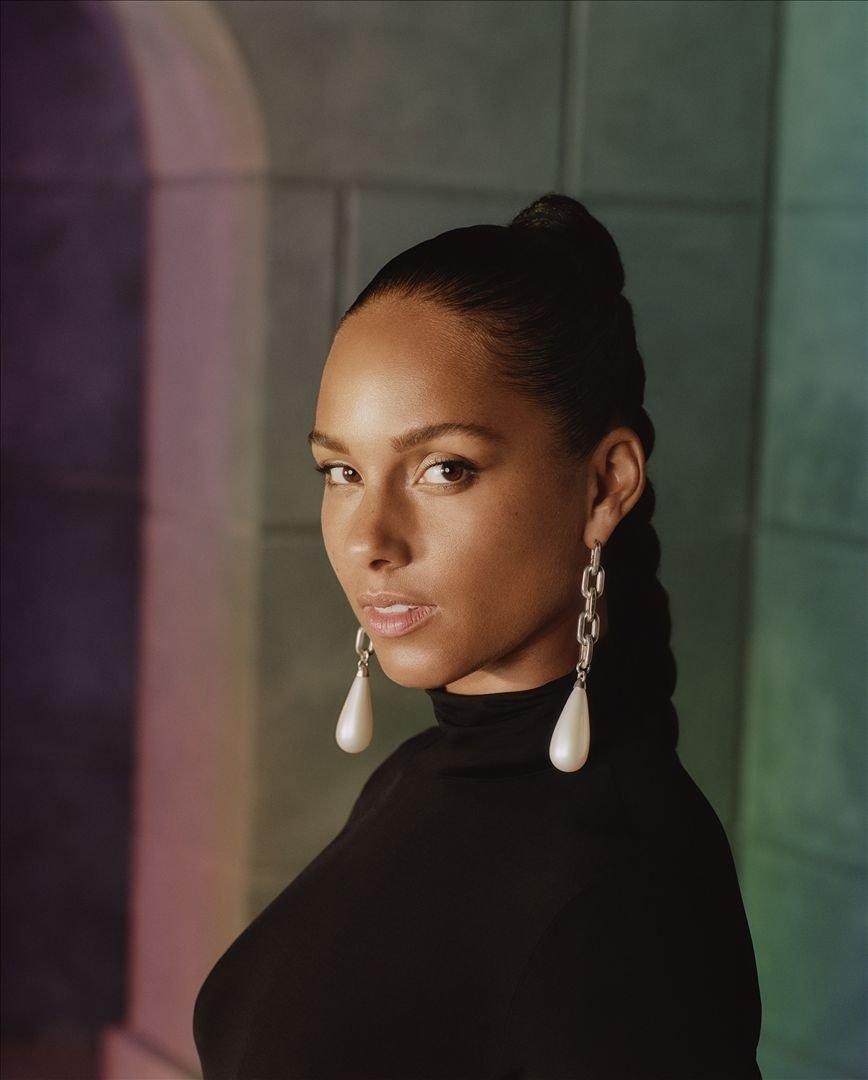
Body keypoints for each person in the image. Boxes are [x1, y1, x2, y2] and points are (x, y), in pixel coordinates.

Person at [192, 192, 763, 1079]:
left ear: (605, 485)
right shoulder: (414, 778)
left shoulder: (620, 887)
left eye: (444, 469)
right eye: (341, 471)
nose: (370, 540)